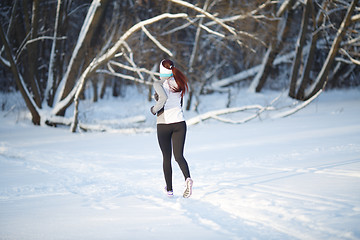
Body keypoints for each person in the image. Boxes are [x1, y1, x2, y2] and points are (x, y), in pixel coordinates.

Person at [150, 59, 193, 198]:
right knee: (179, 156)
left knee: (166, 158)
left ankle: (169, 190)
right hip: (180, 123)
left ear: (161, 71)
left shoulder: (158, 83)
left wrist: (153, 109)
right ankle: (187, 179)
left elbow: (162, 99)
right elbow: (180, 102)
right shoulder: (179, 82)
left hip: (164, 125)